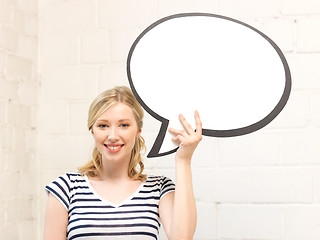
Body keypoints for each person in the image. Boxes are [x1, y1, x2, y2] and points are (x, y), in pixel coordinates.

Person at [44, 86, 202, 240]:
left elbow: (183, 237)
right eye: (103, 125)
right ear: (93, 130)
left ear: (138, 130)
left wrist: (183, 160)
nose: (113, 135)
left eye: (124, 125)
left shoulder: (159, 188)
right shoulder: (66, 187)